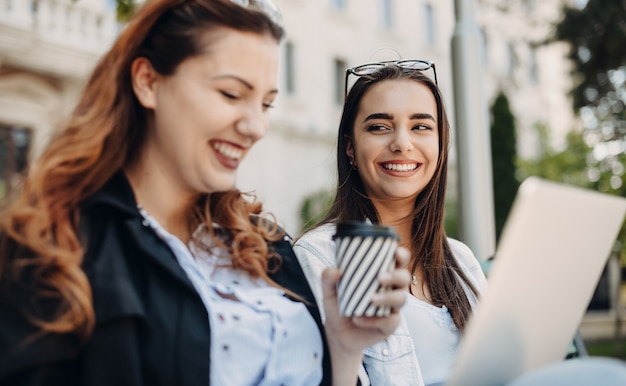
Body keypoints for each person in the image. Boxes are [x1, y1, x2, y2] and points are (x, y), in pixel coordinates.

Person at [0, 2, 411, 385]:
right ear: (148, 82)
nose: (255, 126)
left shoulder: (264, 245)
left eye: (266, 104)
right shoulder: (56, 249)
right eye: (231, 94)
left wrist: (343, 346)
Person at [293, 61, 488, 386]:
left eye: (421, 127)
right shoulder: (321, 256)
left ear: (440, 146)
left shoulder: (462, 261)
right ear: (350, 148)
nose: (402, 143)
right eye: (379, 127)